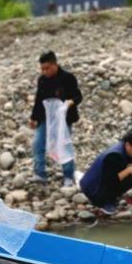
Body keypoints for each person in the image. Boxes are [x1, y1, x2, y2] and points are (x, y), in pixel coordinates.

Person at [28, 50, 83, 187]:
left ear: (55, 65)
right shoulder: (42, 80)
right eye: (42, 69)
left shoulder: (68, 78)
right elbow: (38, 100)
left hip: (63, 119)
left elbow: (78, 96)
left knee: (64, 145)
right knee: (37, 144)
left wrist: (70, 102)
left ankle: (68, 176)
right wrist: (33, 117)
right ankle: (40, 174)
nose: (44, 72)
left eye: (47, 68)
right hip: (45, 117)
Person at [79, 130, 132, 215]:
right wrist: (128, 170)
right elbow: (111, 180)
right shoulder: (113, 156)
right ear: (128, 145)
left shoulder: (126, 148)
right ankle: (104, 202)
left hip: (101, 181)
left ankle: (111, 197)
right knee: (131, 175)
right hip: (93, 189)